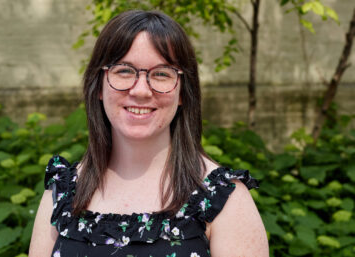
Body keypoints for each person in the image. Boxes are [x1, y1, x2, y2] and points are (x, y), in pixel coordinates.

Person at [29, 10, 269, 257]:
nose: (141, 91)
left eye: (162, 74)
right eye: (124, 71)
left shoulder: (223, 200)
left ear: (183, 93)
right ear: (98, 84)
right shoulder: (62, 196)